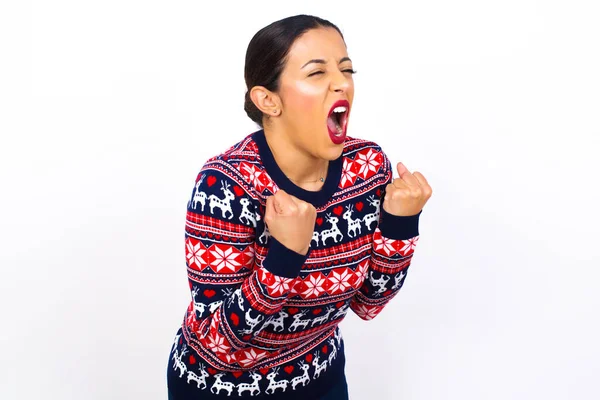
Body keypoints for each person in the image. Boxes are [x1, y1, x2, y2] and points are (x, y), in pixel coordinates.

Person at [166, 14, 432, 400]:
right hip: (222, 389)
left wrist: (400, 226)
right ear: (268, 100)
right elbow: (217, 343)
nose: (341, 83)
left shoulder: (367, 167)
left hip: (320, 377)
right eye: (316, 73)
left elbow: (369, 304)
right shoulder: (225, 184)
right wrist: (284, 257)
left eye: (346, 69)